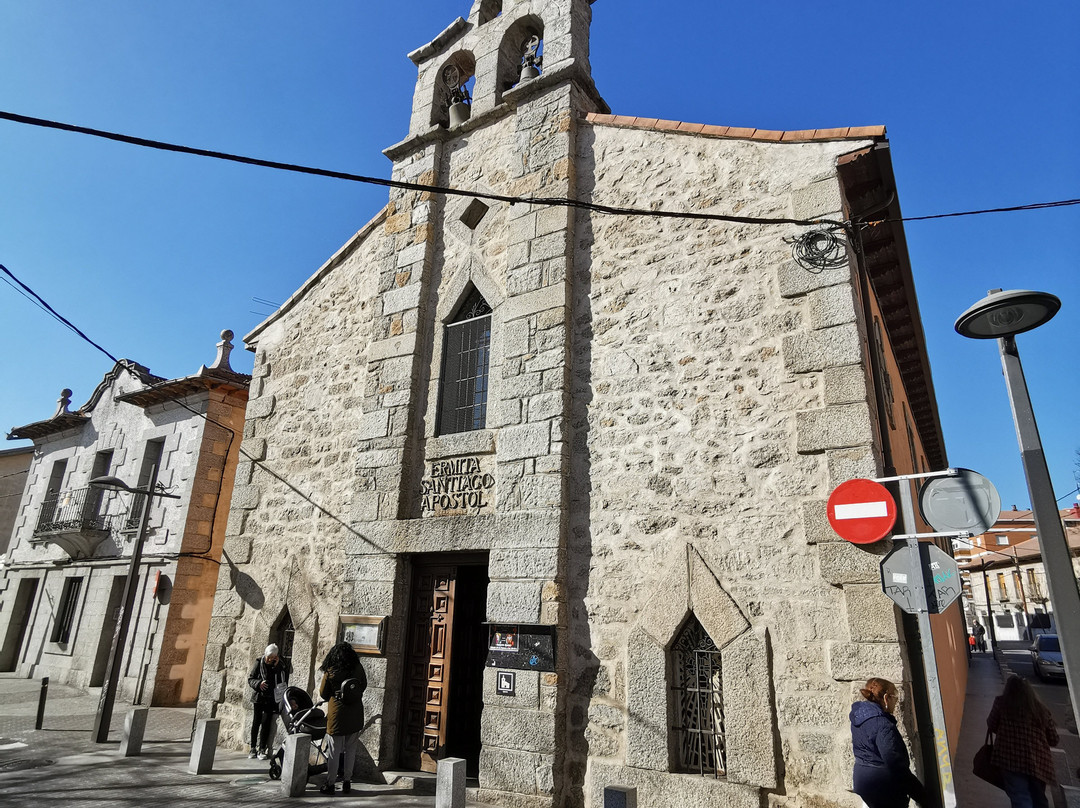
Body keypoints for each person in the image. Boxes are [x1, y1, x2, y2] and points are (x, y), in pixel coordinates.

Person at [849, 677, 926, 808]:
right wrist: (921, 795)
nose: (896, 701)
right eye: (895, 696)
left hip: (863, 778)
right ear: (886, 698)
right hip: (881, 785)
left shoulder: (859, 715)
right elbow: (895, 764)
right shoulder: (883, 725)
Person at [987, 674, 1058, 808]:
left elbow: (991, 724)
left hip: (1010, 759)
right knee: (1039, 798)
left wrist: (1007, 732)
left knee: (1020, 796)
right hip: (1038, 762)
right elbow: (1054, 739)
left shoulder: (1001, 703)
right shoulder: (1041, 709)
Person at [318, 641, 367, 795]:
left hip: (337, 714)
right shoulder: (357, 668)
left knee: (334, 750)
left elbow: (323, 693)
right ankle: (347, 781)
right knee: (351, 749)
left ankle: (330, 783)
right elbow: (363, 685)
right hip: (355, 712)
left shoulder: (331, 670)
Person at [247, 643, 290, 760]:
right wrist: (258, 683)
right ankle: (252, 748)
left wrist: (276, 666)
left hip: (271, 698)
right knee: (256, 722)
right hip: (259, 697)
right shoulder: (258, 662)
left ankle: (262, 748)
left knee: (266, 723)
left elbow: (283, 678)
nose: (269, 659)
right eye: (268, 657)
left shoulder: (279, 665)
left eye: (272, 657)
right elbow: (250, 679)